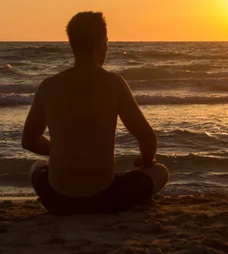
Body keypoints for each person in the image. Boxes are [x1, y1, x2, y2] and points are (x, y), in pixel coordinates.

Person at [22, 11, 169, 215]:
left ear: (72, 44)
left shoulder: (48, 86)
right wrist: (146, 161)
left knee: (37, 166)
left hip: (58, 201)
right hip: (105, 199)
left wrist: (59, 151)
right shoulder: (114, 84)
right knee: (160, 171)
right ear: (101, 42)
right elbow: (147, 138)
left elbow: (29, 141)